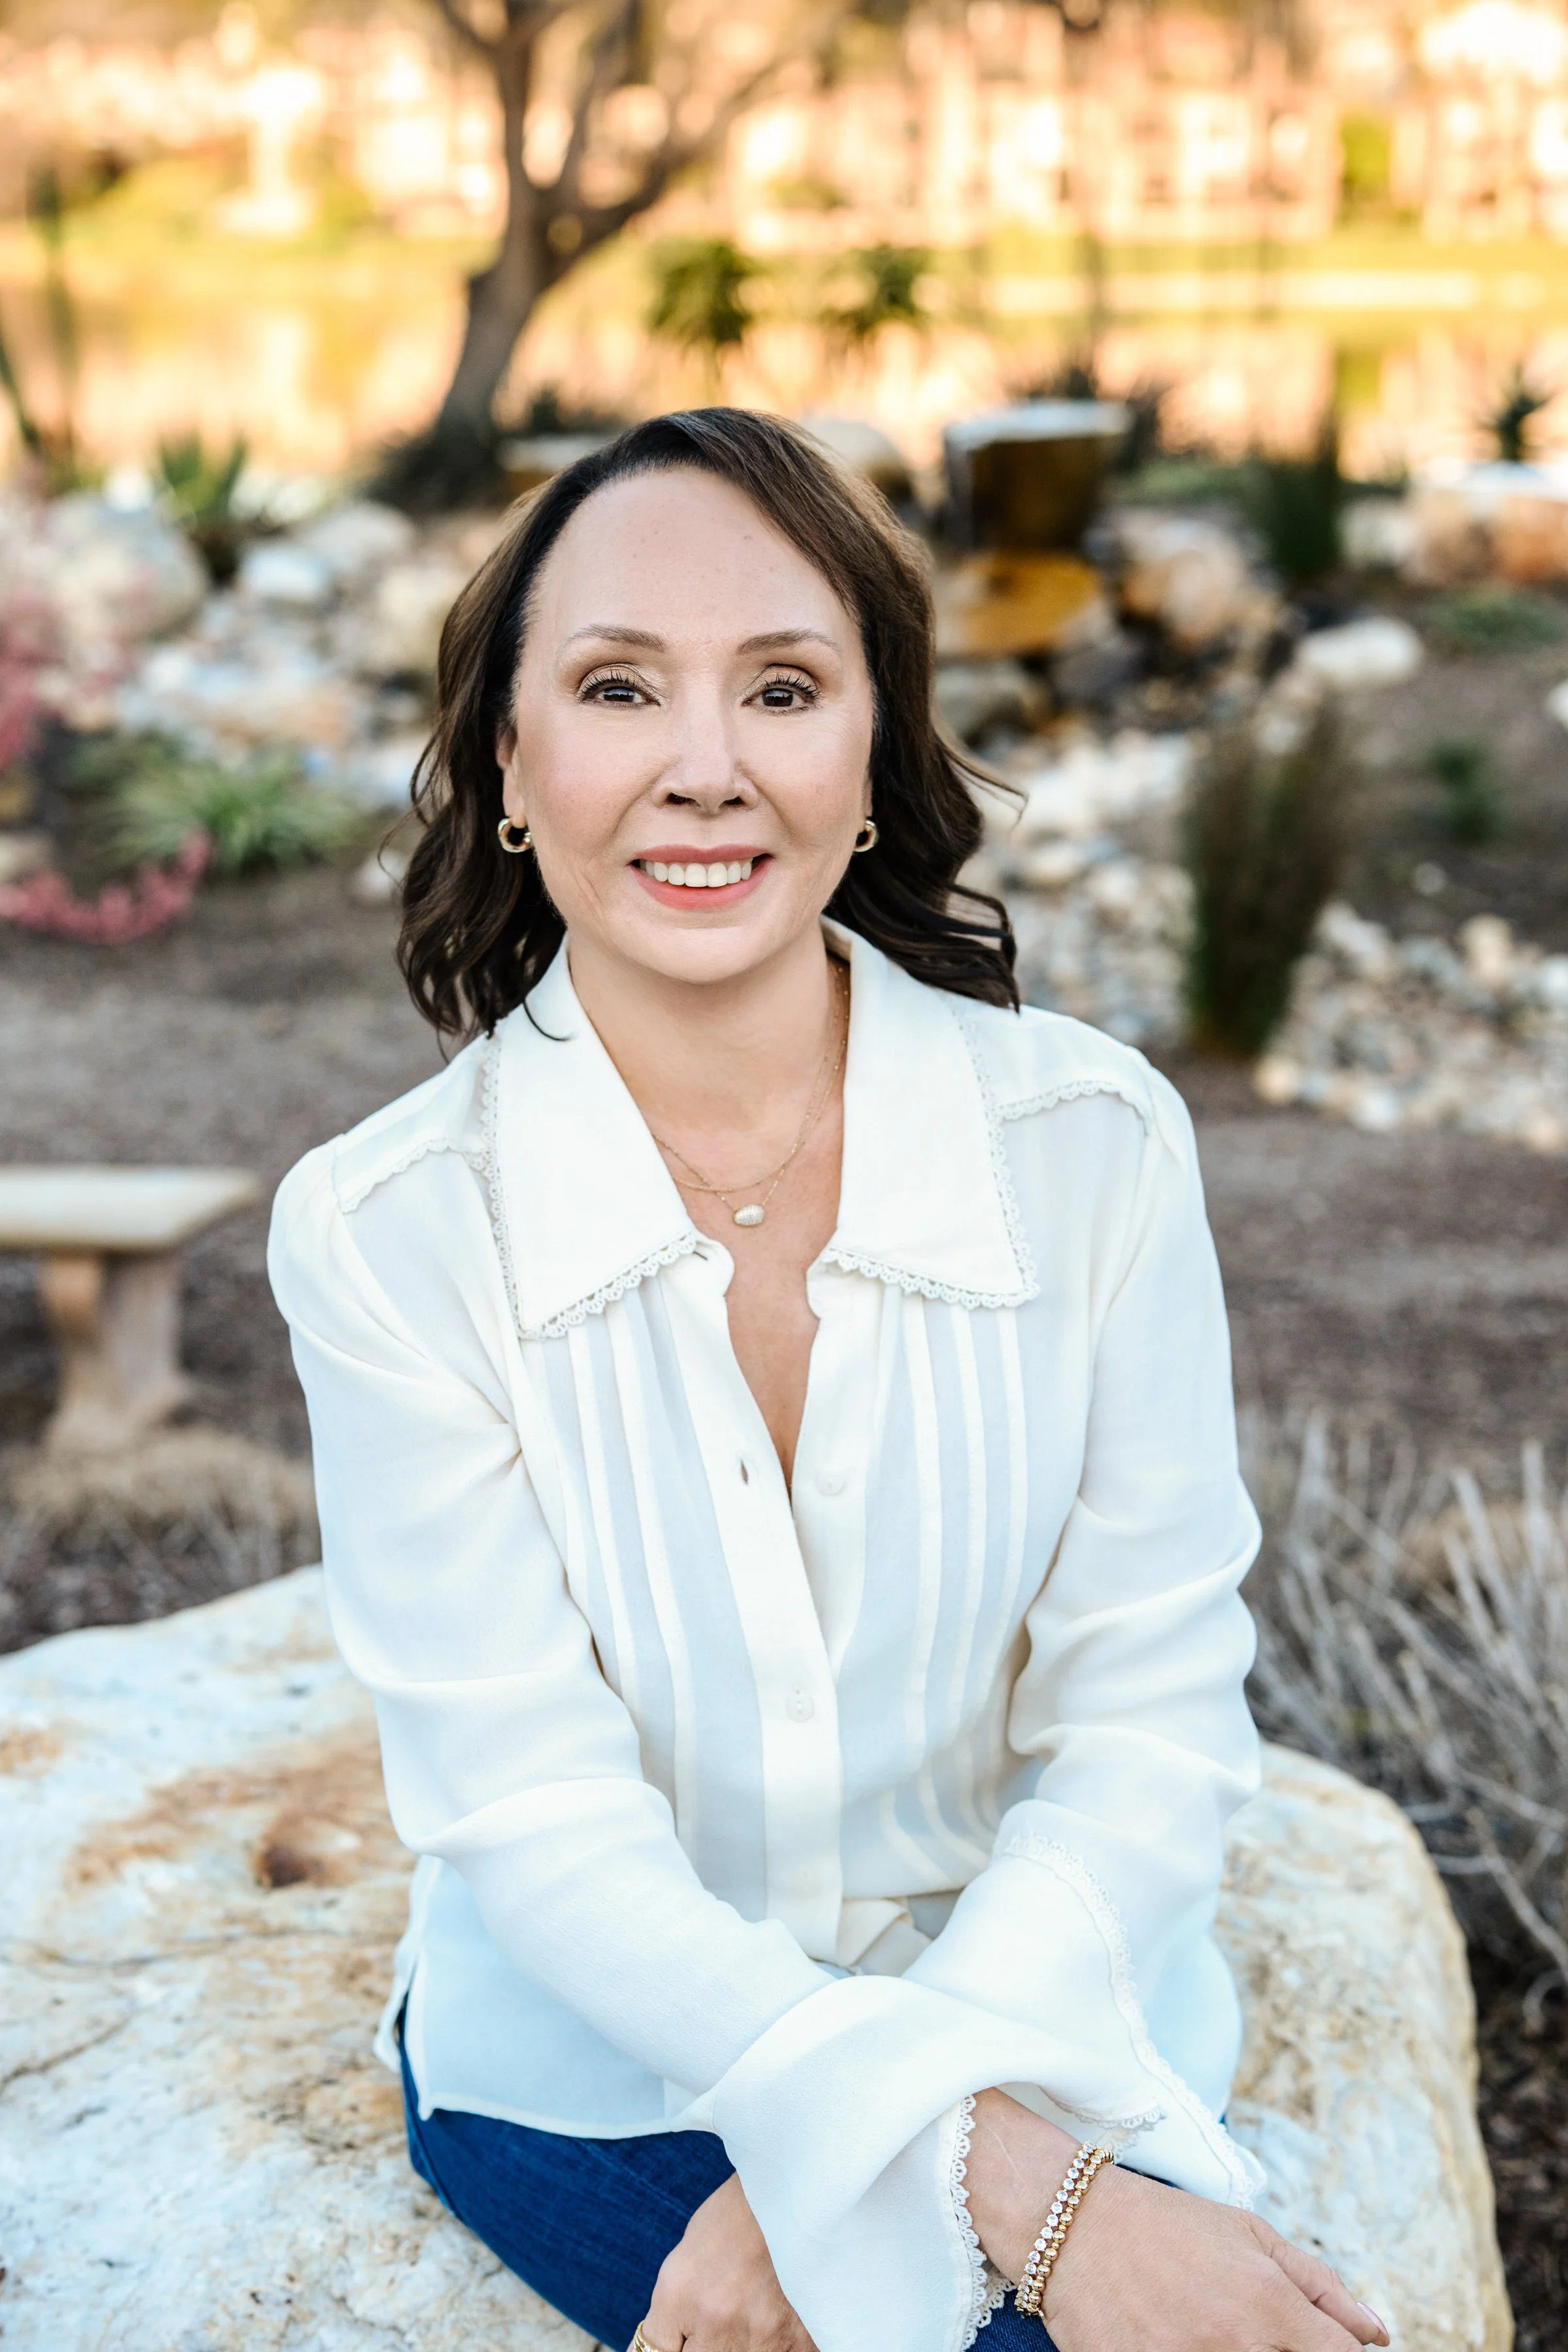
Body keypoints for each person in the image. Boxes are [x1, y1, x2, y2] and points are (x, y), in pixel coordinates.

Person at [268, 408, 1390, 2352]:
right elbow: (527, 1814)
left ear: (873, 755)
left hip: (1045, 2004)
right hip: (619, 2069)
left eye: (782, 686)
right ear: (510, 763)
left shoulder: (1095, 1148)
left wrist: (921, 2109)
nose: (705, 770)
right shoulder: (386, 1232)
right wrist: (989, 2176)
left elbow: (1151, 1708)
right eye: (620, 687)